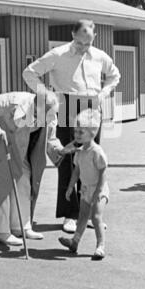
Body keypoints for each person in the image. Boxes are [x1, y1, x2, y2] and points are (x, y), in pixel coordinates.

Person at [23, 19, 120, 233]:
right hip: (67, 104)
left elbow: (114, 75)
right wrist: (47, 95)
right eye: (80, 42)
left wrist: (103, 94)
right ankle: (69, 214)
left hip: (92, 107)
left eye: (88, 42)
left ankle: (91, 214)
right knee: (68, 160)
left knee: (90, 160)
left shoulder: (99, 55)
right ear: (72, 34)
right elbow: (29, 72)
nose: (84, 47)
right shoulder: (58, 54)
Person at [0, 91, 69, 246]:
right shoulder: (13, 101)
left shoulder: (50, 114)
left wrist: (60, 150)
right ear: (35, 104)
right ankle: (1, 232)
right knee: (1, 185)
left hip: (20, 148)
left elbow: (51, 139)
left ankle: (21, 226)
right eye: (39, 113)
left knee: (25, 180)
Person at [58, 109, 109, 260]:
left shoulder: (96, 151)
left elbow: (102, 172)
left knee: (96, 217)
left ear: (92, 133)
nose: (77, 135)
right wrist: (70, 187)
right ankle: (75, 242)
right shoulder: (79, 151)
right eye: (76, 131)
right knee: (82, 216)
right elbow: (76, 171)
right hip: (86, 189)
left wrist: (98, 192)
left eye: (81, 132)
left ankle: (100, 246)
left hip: (98, 189)